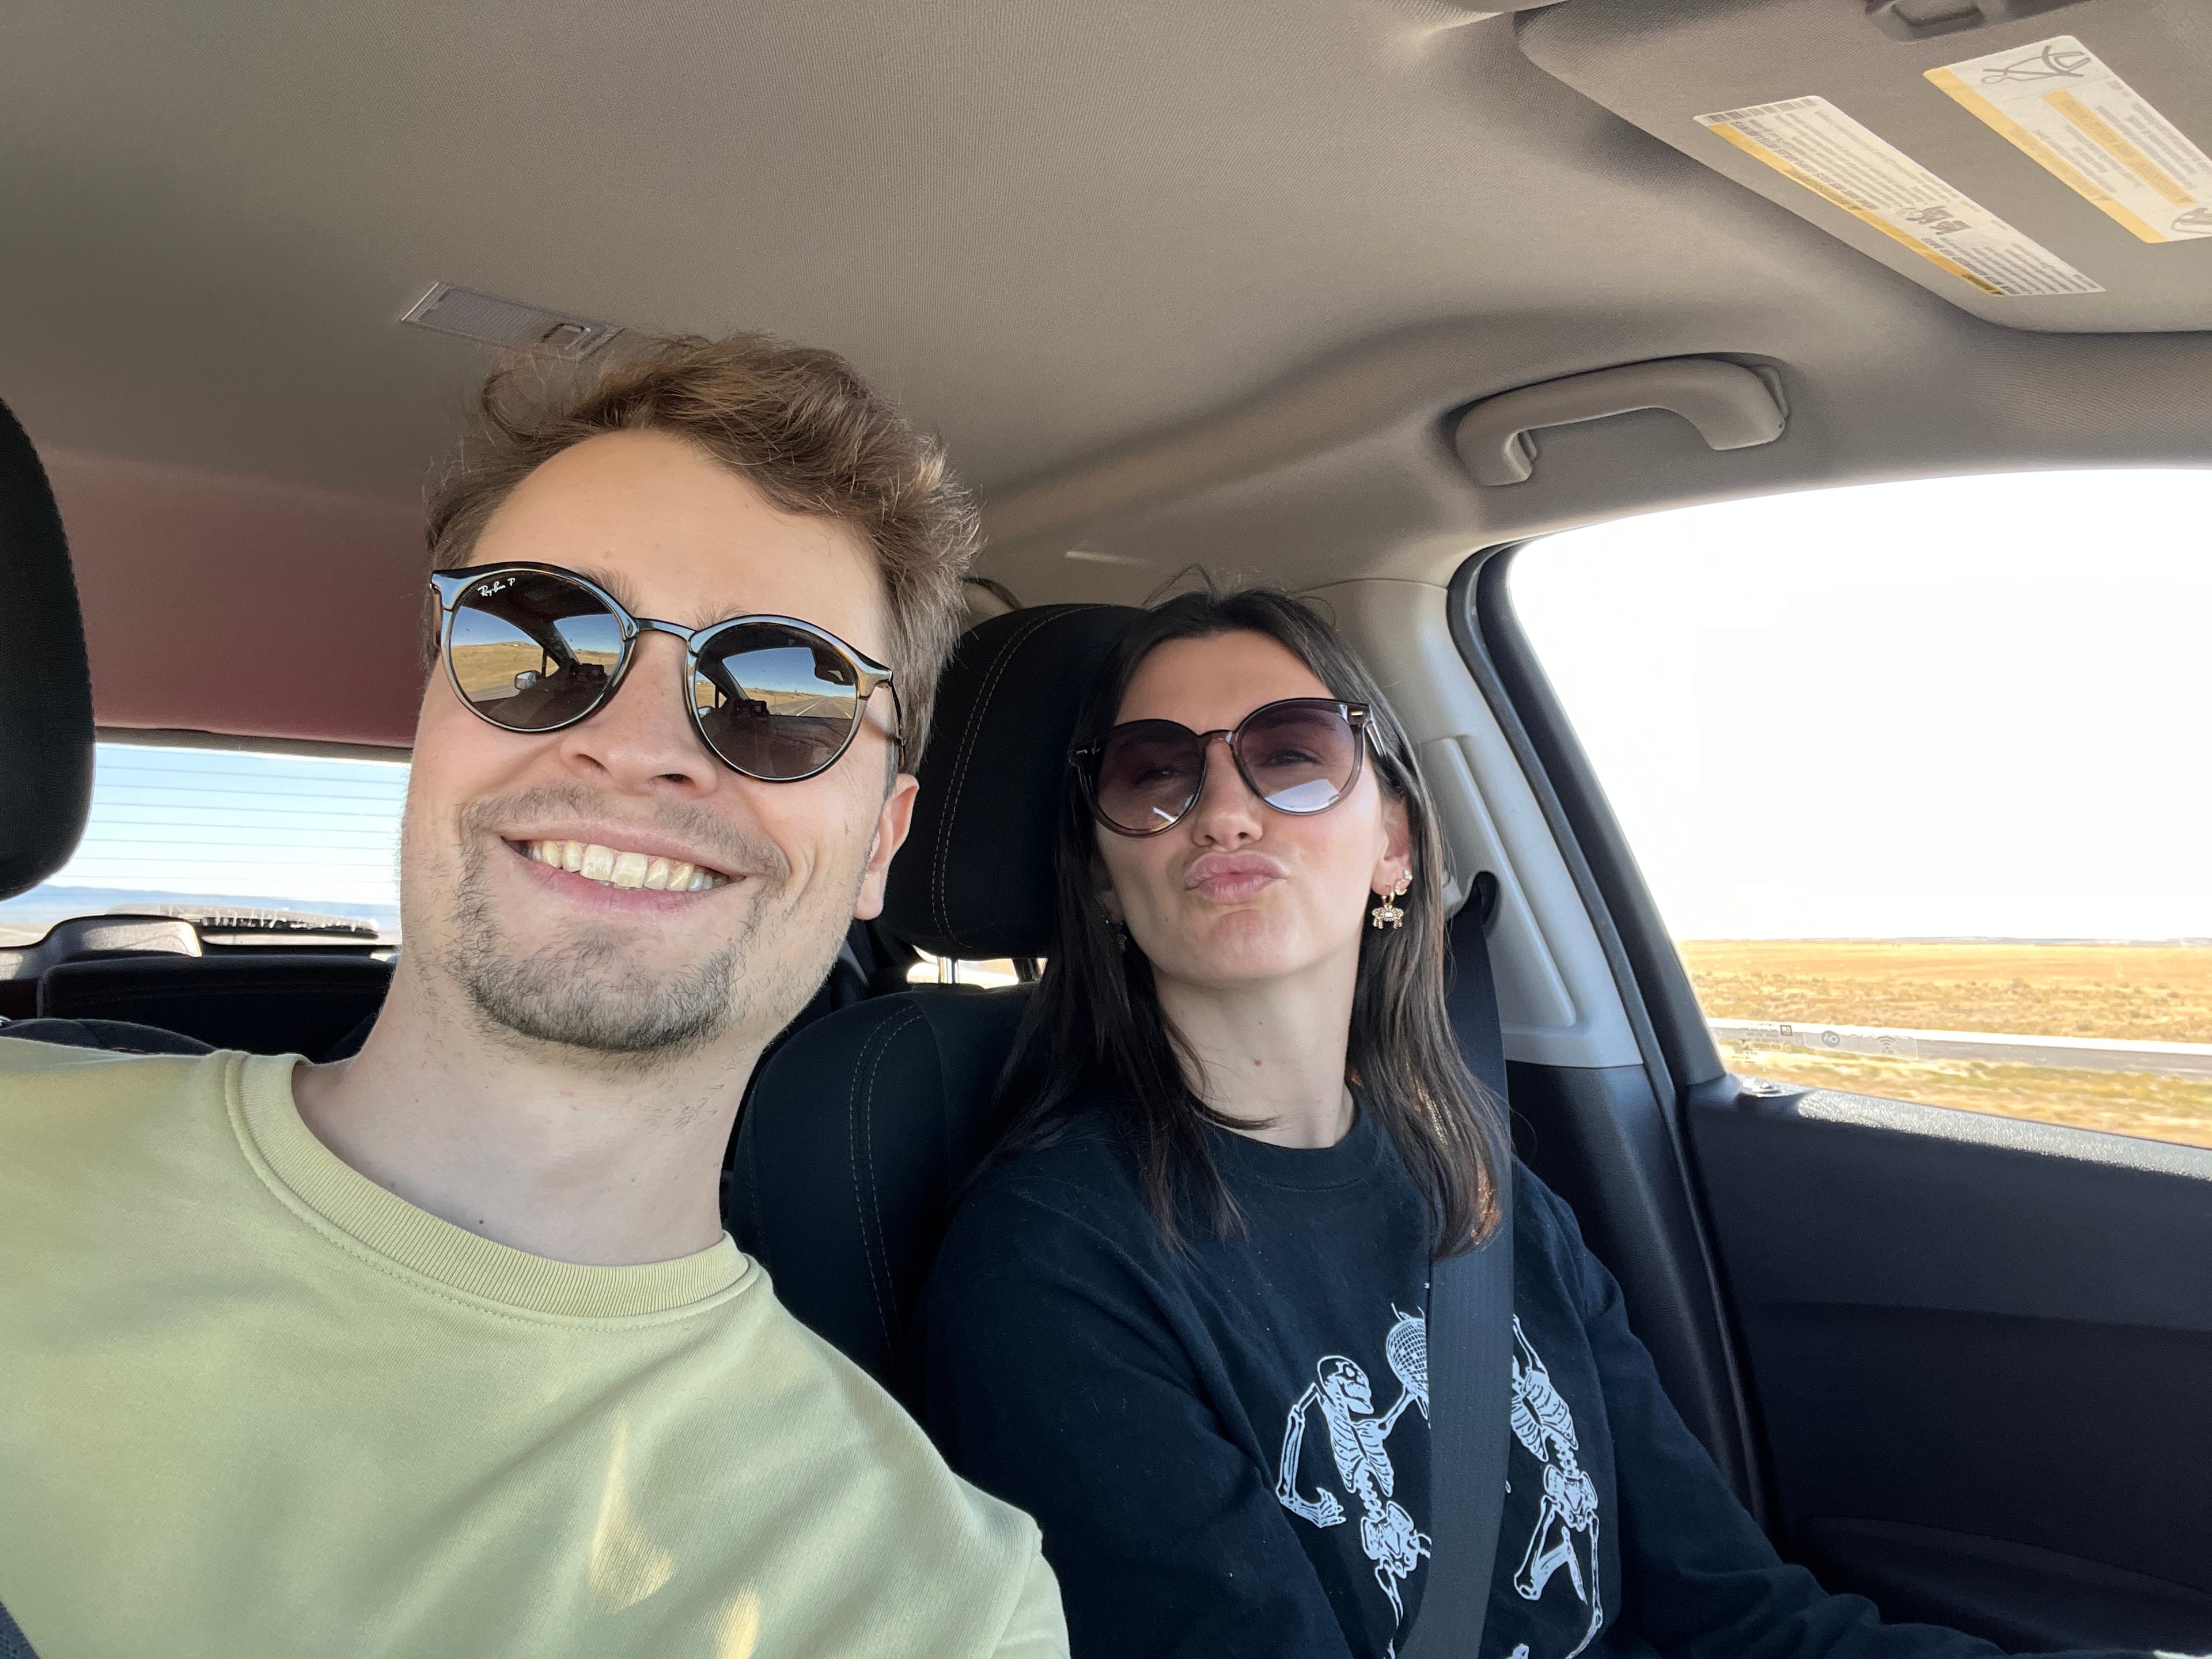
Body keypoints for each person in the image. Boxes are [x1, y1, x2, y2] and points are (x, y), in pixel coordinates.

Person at [0, 335, 1065, 1658]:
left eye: (785, 689)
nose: (639, 744)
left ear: (883, 847)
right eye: (539, 637)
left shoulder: (936, 1602)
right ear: (432, 714)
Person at [918, 586, 2160, 1659]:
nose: (1226, 809)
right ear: (1100, 868)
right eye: (1155, 773)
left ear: (1394, 840)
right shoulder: (1053, 1263)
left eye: (1291, 754)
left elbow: (1739, 1612)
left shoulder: (1481, 1187)